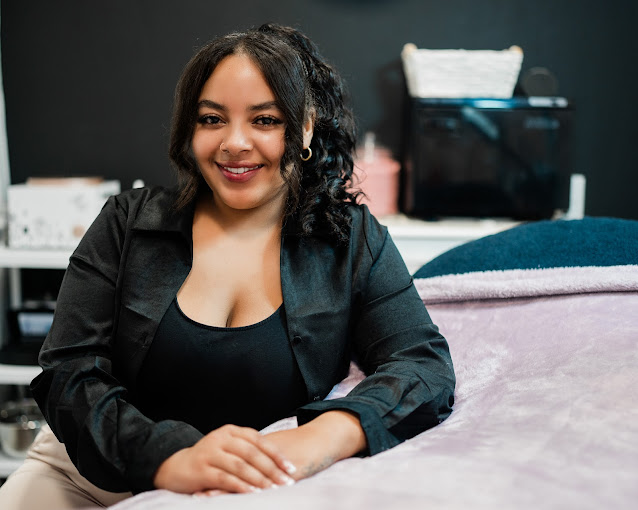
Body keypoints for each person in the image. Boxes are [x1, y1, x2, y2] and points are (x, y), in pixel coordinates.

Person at [0, 23, 455, 509]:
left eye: (265, 120)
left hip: (254, 484)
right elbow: (68, 372)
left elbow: (423, 366)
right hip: (91, 477)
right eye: (212, 119)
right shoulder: (125, 222)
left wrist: (320, 438)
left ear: (303, 128)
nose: (234, 143)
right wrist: (168, 456)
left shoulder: (351, 239)